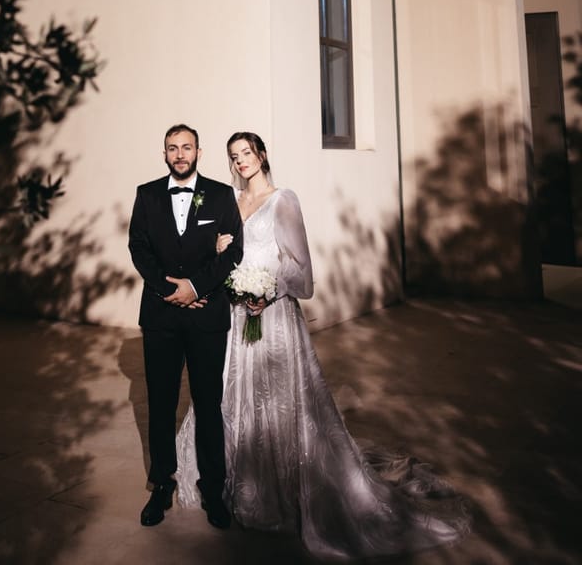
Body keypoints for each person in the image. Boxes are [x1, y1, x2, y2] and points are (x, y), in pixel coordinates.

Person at [176, 131, 471, 559]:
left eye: (247, 153)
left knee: (277, 403)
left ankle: (279, 493)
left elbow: (302, 272)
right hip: (235, 319)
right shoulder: (231, 203)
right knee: (226, 397)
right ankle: (233, 484)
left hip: (272, 317)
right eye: (234, 156)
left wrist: (267, 292)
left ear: (262, 155)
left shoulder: (283, 200)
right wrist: (218, 249)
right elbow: (221, 259)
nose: (241, 161)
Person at [128, 123, 244, 529]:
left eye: (187, 147)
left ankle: (214, 490)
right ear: (164, 154)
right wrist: (169, 290)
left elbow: (233, 251)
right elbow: (138, 248)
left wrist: (195, 287)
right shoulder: (146, 195)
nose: (180, 154)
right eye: (172, 148)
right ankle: (161, 485)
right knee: (160, 403)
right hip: (160, 316)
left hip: (206, 314)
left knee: (208, 404)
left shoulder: (221, 195)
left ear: (198, 152)